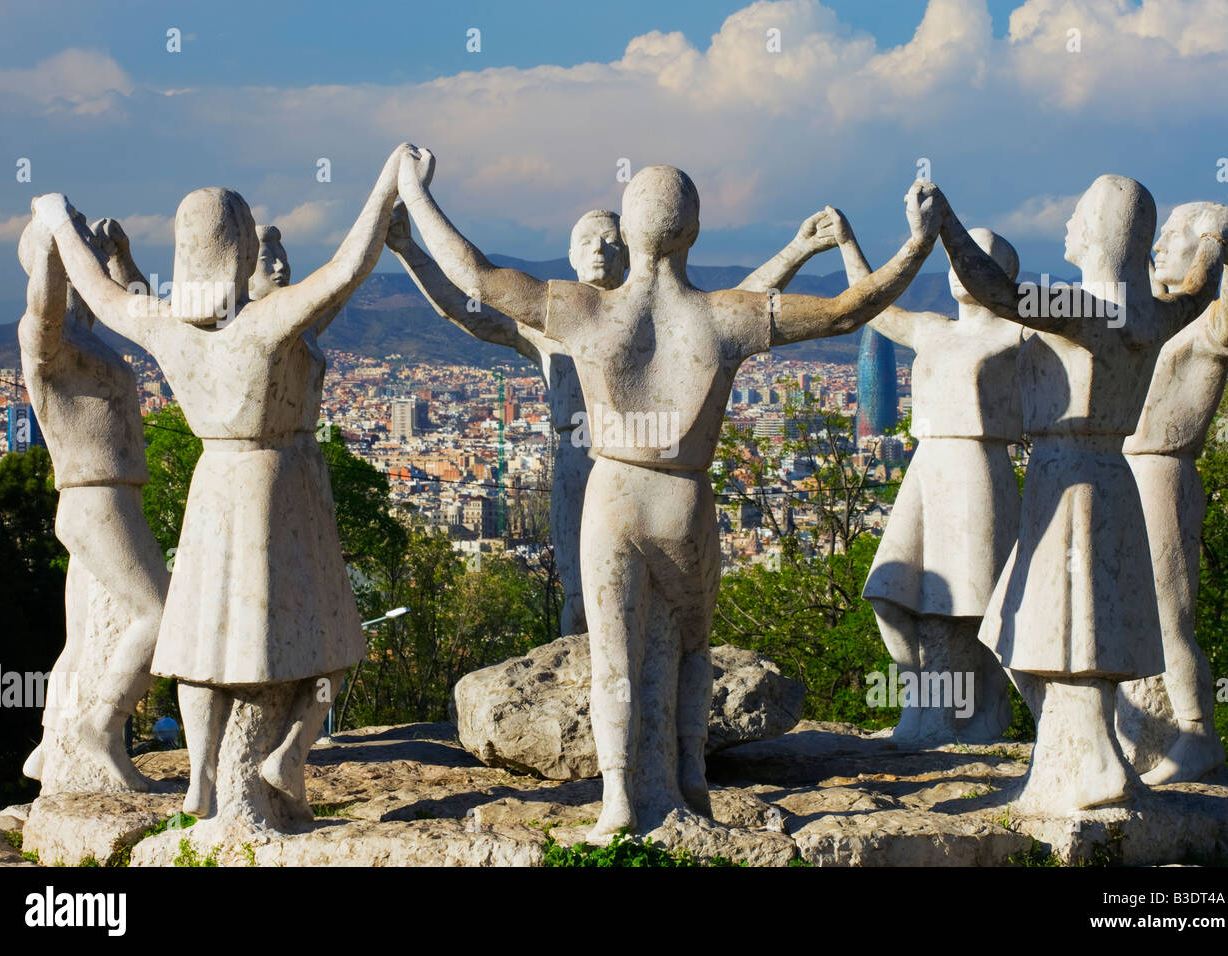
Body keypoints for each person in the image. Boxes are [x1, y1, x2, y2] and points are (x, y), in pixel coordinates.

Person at [400, 147, 944, 837]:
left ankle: (621, 797)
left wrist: (416, 196)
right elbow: (846, 311)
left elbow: (473, 274)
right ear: (693, 233)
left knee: (613, 661)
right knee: (692, 650)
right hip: (685, 498)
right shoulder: (724, 314)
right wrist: (917, 244)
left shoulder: (583, 311)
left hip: (614, 491)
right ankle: (689, 778)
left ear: (628, 234)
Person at [33, 142, 409, 825]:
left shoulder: (167, 328)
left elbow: (98, 292)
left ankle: (202, 783)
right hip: (274, 482)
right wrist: (388, 187)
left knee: (202, 649)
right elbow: (349, 268)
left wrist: (58, 221)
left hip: (213, 485)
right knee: (319, 639)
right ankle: (287, 753)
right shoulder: (265, 321)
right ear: (239, 250)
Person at [385, 201, 845, 635]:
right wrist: (408, 249)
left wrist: (797, 249)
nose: (599, 249)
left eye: (609, 240)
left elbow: (741, 305)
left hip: (647, 471)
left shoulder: (659, 315)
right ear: (570, 257)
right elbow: (466, 307)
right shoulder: (547, 322)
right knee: (582, 593)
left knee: (656, 598)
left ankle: (643, 686)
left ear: (629, 251)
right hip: (577, 464)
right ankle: (586, 685)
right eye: (586, 242)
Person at [937, 175, 1228, 812]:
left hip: (1065, 473)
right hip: (1109, 476)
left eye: (1078, 213)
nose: (1067, 222)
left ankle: (1092, 759)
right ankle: (1078, 755)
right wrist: (1213, 241)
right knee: (1065, 626)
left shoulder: (1079, 306)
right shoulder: (1154, 312)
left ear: (1103, 229)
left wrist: (946, 226)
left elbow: (999, 292)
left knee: (1066, 627)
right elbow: (1202, 287)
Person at [831, 208, 1020, 744]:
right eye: (955, 256)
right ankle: (942, 705)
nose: (959, 267)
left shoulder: (1018, 337)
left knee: (957, 603)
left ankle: (944, 715)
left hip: (977, 471)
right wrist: (847, 242)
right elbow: (874, 303)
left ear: (1001, 273)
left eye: (973, 257)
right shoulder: (933, 329)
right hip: (927, 469)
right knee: (897, 596)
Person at [16, 210, 168, 791]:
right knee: (160, 614)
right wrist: (58, 232)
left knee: (80, 640)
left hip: (103, 497)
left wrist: (117, 261)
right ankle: (101, 727)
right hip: (96, 498)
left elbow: (158, 326)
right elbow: (46, 304)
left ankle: (50, 740)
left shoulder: (89, 336)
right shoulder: (43, 338)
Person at [1123, 201, 1228, 784]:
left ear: (1204, 245)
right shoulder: (1162, 320)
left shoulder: (1208, 322)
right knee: (1132, 609)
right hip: (1128, 471)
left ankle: (1196, 732)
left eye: (1171, 237)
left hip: (1163, 472)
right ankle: (1139, 734)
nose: (1158, 246)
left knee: (1169, 614)